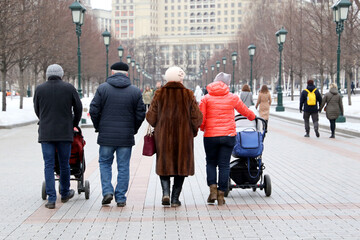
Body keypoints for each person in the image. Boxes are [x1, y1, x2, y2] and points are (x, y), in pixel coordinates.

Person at [90, 62, 145, 207]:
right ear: (127, 74)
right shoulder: (134, 91)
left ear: (112, 73)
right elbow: (140, 113)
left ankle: (107, 191)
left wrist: (98, 126)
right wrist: (133, 128)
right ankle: (120, 197)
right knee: (124, 166)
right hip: (126, 135)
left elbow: (94, 110)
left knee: (104, 163)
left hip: (106, 135)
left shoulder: (102, 88)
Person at [146, 66, 203, 207]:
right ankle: (175, 198)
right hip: (184, 137)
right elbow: (197, 118)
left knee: (164, 164)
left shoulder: (159, 93)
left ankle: (165, 193)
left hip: (163, 137)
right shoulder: (188, 94)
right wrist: (191, 130)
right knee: (181, 166)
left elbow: (151, 118)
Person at [199, 72, 255, 206]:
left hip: (210, 136)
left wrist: (203, 128)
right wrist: (253, 117)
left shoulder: (206, 98)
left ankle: (212, 190)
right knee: (224, 165)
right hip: (228, 136)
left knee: (211, 163)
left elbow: (201, 118)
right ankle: (221, 195)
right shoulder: (232, 97)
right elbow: (245, 111)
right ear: (227, 84)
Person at [33, 64, 82, 209]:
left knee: (48, 164)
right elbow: (78, 108)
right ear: (61, 74)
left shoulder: (40, 89)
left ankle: (51, 198)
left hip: (46, 132)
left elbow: (37, 108)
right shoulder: (69, 88)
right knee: (64, 163)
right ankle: (65, 193)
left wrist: (44, 119)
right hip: (64, 132)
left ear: (47, 74)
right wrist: (73, 122)